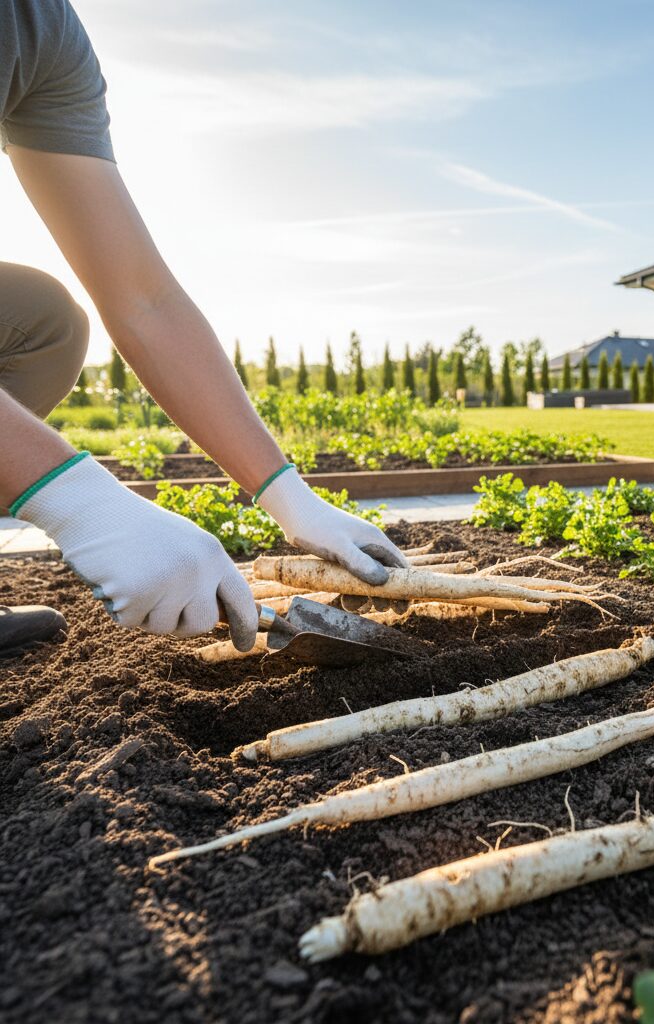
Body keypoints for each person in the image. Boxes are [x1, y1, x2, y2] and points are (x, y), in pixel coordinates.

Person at [0, 0, 407, 654]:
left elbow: (143, 297)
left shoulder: (43, 32)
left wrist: (288, 496)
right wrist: (78, 499)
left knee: (41, 323)